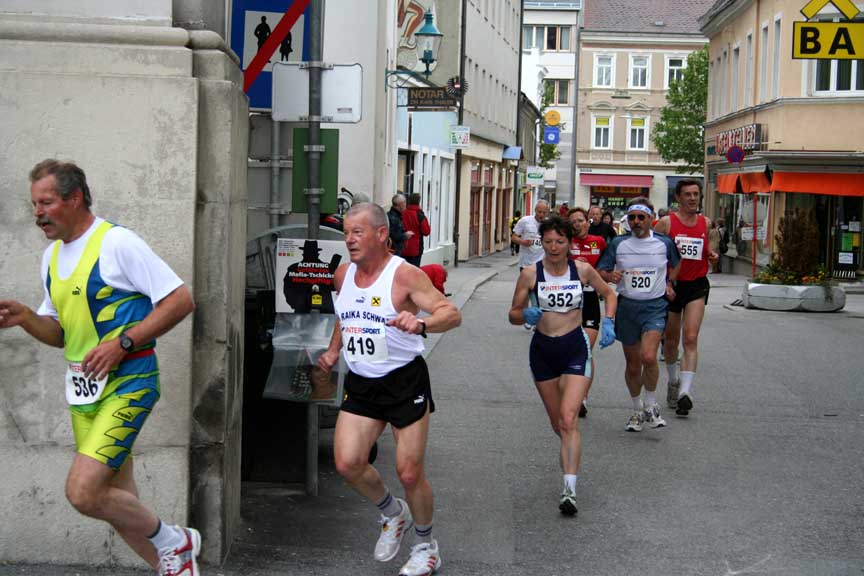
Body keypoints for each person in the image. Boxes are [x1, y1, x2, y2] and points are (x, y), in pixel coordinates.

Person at [0, 160, 199, 575]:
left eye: (46, 202)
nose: (37, 213)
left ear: (75, 198)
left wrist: (123, 343)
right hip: (83, 393)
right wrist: (26, 317)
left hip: (129, 383)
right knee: (117, 503)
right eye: (34, 204)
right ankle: (177, 567)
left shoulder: (116, 243)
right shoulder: (51, 257)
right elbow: (60, 335)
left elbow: (180, 300)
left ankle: (174, 540)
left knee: (83, 492)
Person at [316, 203, 461, 576]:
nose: (349, 240)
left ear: (381, 234)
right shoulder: (343, 274)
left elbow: (450, 313)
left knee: (409, 472)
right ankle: (393, 513)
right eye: (346, 233)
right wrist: (333, 351)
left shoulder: (405, 275)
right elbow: (345, 315)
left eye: (357, 232)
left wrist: (422, 324)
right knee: (348, 463)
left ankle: (426, 547)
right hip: (362, 382)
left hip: (403, 381)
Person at [509, 215, 617, 516]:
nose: (554, 247)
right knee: (558, 424)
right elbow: (513, 313)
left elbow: (609, 294)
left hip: (575, 348)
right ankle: (570, 452)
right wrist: (524, 315)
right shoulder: (530, 274)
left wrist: (609, 321)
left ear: (570, 243)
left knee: (569, 419)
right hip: (543, 351)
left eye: (560, 241)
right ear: (541, 243)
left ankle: (569, 489)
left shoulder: (581, 270)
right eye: (548, 242)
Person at [598, 198, 680, 433]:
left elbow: (677, 263)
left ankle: (651, 406)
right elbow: (602, 270)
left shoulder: (664, 242)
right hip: (627, 307)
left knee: (648, 356)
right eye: (632, 217)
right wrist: (610, 276)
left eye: (641, 217)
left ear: (650, 219)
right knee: (633, 365)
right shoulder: (618, 243)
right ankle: (637, 409)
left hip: (655, 307)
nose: (636, 221)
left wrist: (669, 282)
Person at [653, 179, 719, 416]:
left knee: (690, 338)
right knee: (671, 341)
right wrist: (662, 281)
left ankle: (685, 392)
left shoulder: (706, 223)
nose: (692, 198)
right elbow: (652, 252)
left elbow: (710, 250)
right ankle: (673, 382)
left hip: (696, 285)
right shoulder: (666, 223)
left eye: (696, 194)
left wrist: (712, 255)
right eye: (687, 194)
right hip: (672, 286)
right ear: (678, 198)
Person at [567, 207, 608, 417]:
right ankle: (570, 391)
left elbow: (607, 266)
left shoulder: (598, 242)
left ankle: (582, 397)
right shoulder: (565, 243)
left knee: (585, 351)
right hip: (569, 302)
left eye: (580, 220)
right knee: (571, 351)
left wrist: (604, 275)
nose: (577, 224)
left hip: (590, 300)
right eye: (573, 221)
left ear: (587, 221)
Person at [512, 201, 550, 270]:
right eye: (539, 212)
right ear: (535, 210)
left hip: (542, 264)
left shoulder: (549, 224)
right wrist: (523, 242)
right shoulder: (525, 220)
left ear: (547, 212)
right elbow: (514, 237)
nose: (541, 215)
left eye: (544, 212)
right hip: (526, 263)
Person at [401, 193, 431, 267]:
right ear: (418, 202)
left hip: (403, 247)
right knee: (414, 270)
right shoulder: (420, 215)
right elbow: (426, 231)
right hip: (416, 249)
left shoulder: (402, 213)